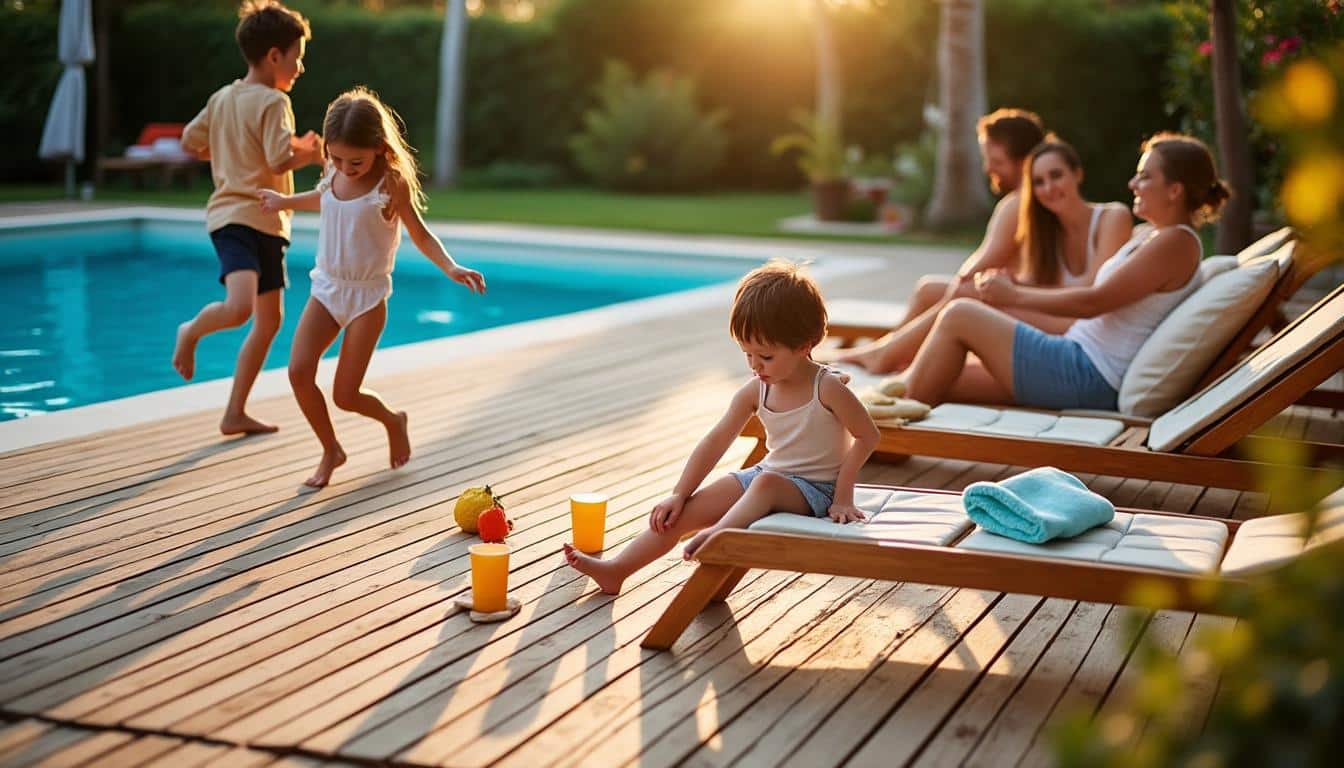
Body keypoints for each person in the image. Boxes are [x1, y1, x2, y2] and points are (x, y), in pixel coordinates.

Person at [563, 261, 880, 595]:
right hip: (766, 476)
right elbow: (716, 441)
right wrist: (679, 494)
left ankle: (717, 537)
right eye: (747, 354)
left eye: (766, 356)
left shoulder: (827, 388)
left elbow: (867, 436)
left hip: (817, 490)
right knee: (682, 513)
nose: (755, 366)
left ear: (805, 344)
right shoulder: (756, 388)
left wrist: (843, 497)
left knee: (767, 483)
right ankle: (617, 569)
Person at [895, 133, 1229, 411]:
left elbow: (1094, 302)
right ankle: (885, 406)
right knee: (941, 375)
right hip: (1071, 360)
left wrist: (1014, 295)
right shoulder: (1154, 235)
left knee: (960, 315)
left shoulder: (1177, 243)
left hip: (1086, 373)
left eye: (1144, 176)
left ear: (1175, 190)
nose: (1133, 183)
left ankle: (888, 437)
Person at [259, 87, 486, 487]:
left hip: (367, 297)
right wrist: (283, 201)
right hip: (327, 288)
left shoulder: (389, 184)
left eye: (356, 161)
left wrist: (450, 266)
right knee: (298, 371)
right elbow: (325, 197)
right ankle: (331, 450)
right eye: (337, 158)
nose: (345, 168)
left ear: (381, 147)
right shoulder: (334, 171)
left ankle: (393, 419)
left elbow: (419, 233)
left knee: (345, 395)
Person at [173, 0, 324, 435]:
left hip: (265, 225)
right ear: (275, 55)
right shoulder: (275, 102)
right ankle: (191, 331)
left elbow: (188, 140)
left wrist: (222, 151)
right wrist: (309, 152)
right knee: (241, 309)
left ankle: (234, 412)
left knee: (270, 320)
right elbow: (278, 157)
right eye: (297, 58)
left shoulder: (223, 97)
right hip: (240, 215)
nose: (299, 68)